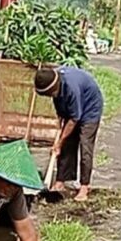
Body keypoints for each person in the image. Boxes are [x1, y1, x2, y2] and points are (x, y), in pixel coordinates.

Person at [34, 66, 104, 202]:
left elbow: (74, 119)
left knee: (85, 146)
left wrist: (59, 143)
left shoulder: (71, 88)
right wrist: (59, 139)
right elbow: (62, 116)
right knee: (67, 144)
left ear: (54, 87)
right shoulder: (55, 89)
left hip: (90, 108)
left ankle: (84, 186)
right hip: (73, 111)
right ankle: (61, 180)